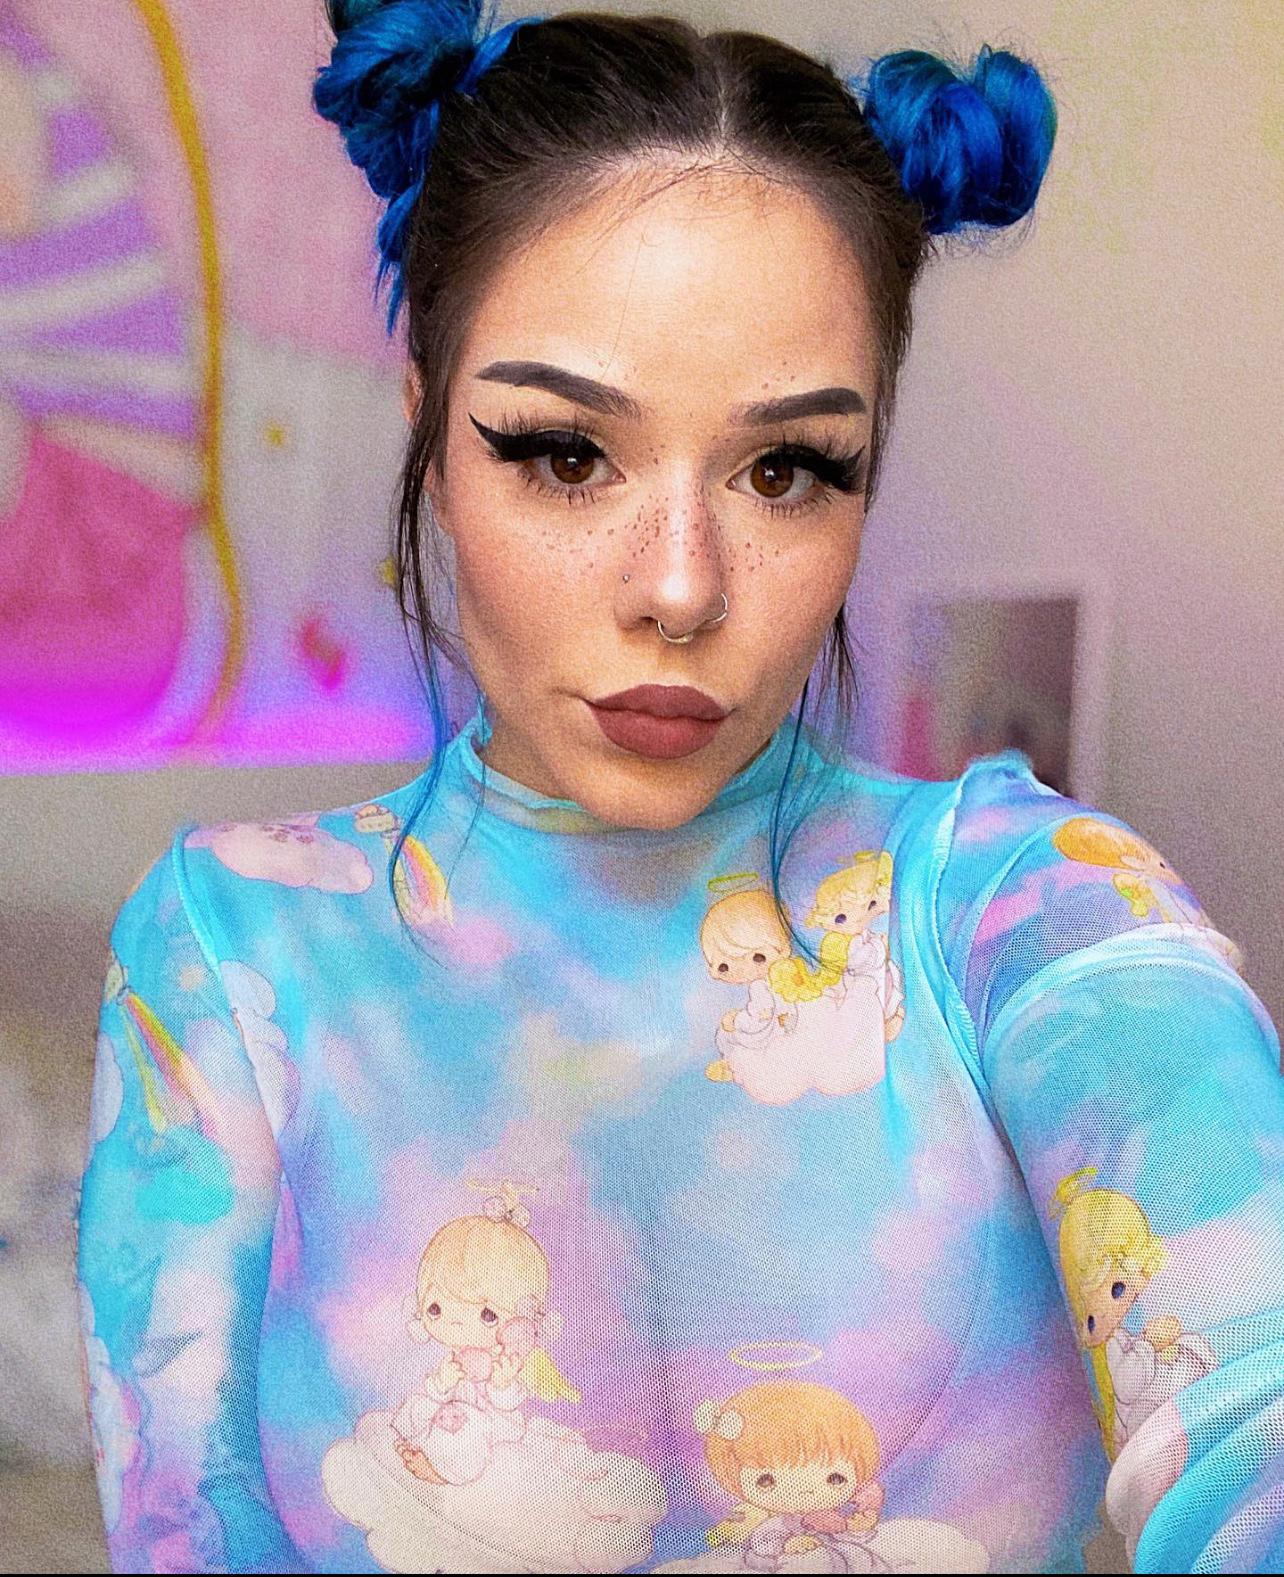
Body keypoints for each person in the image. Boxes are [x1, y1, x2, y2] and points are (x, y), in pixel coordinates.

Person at [74, 3, 1284, 1573]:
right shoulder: (231, 954)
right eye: (567, 453)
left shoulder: (1025, 909)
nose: (681, 586)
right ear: (429, 426)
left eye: (787, 470)